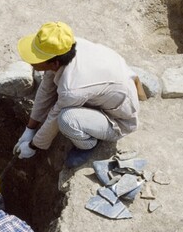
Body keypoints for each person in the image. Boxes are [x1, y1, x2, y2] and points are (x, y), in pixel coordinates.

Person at [13, 21, 147, 168]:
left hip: (119, 119)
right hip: (114, 90)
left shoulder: (71, 89)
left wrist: (33, 146)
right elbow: (46, 90)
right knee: (59, 97)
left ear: (55, 63)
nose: (31, 62)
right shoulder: (66, 47)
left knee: (66, 119)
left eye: (36, 59)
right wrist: (30, 129)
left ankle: (88, 144)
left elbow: (54, 119)